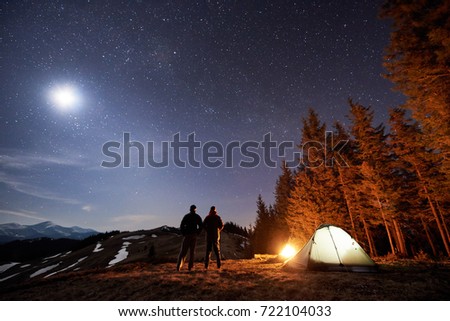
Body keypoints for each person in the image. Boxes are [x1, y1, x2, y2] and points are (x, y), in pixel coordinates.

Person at [176, 204, 203, 271]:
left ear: (190, 209)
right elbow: (201, 226)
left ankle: (179, 267)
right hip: (194, 235)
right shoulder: (197, 216)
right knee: (192, 252)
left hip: (187, 235)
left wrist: (184, 233)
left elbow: (182, 225)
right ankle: (190, 268)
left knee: (183, 252)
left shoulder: (187, 216)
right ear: (195, 209)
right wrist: (197, 233)